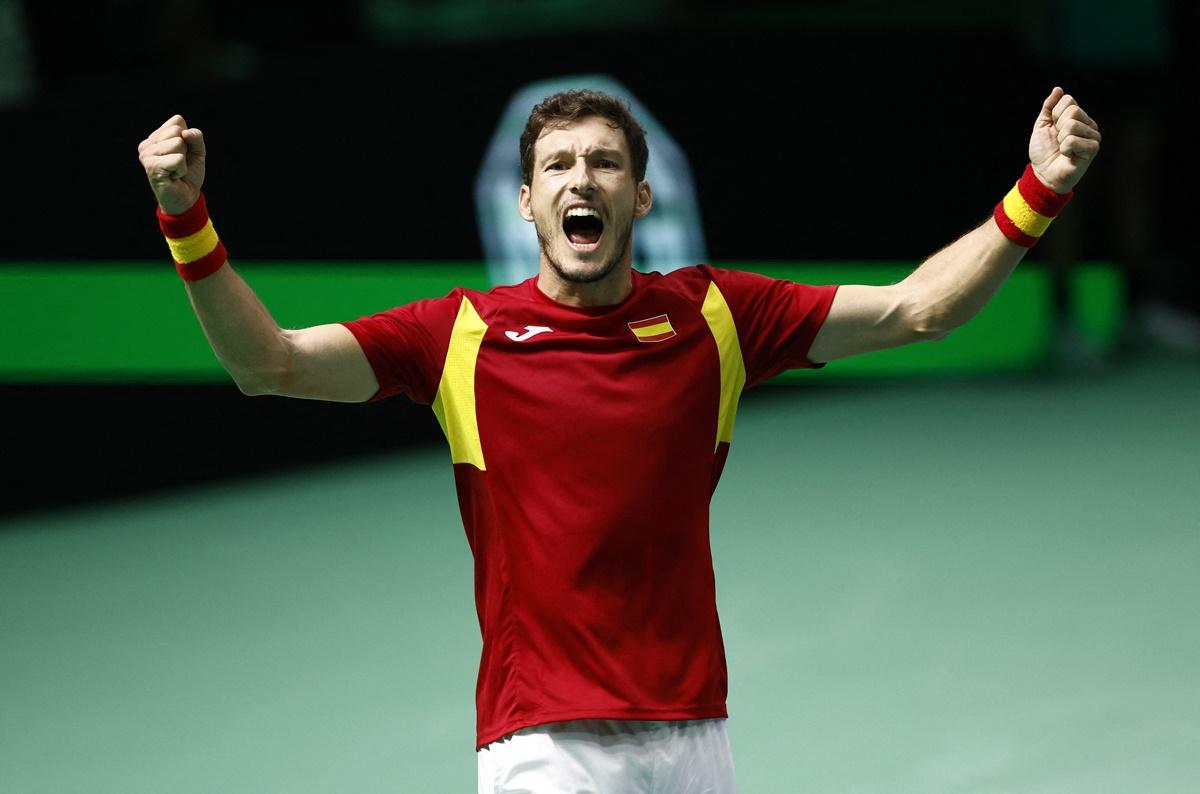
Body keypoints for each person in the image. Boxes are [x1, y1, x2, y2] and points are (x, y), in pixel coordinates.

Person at [137, 87, 1100, 793]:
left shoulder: (715, 314)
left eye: (604, 163)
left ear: (641, 198)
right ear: (526, 204)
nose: (580, 180)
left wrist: (1039, 190)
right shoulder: (459, 336)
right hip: (542, 742)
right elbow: (268, 362)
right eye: (557, 166)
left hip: (693, 732)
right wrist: (186, 219)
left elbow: (917, 310)